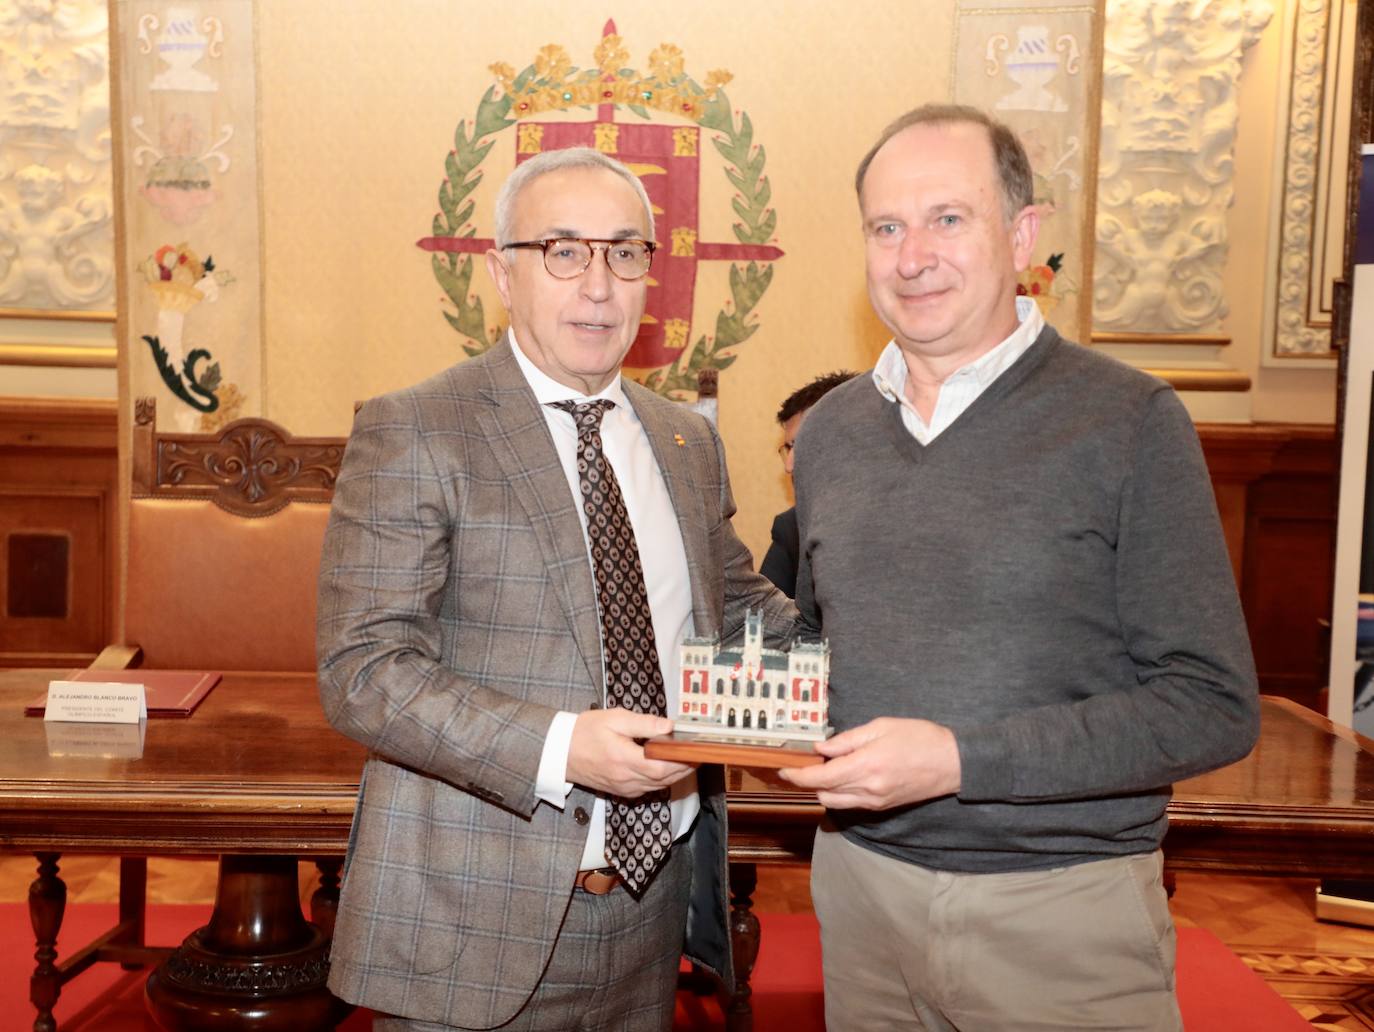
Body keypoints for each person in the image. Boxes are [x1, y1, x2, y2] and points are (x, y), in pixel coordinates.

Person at [779, 104, 1260, 1031]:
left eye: (948, 218)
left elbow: (1211, 704)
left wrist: (959, 760)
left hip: (1061, 914)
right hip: (859, 895)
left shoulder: (1129, 422)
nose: (912, 255)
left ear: (1023, 234)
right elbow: (818, 648)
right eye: (887, 227)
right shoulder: (832, 432)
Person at [317, 147, 795, 1032]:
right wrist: (562, 747)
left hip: (651, 920)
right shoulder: (417, 426)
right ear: (503, 271)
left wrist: (872, 660)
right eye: (563, 251)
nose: (600, 285)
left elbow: (740, 614)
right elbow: (363, 670)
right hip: (473, 923)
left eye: (625, 252)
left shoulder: (685, 441)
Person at [759, 370, 855, 597]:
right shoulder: (792, 528)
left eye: (801, 444)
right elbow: (763, 614)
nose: (789, 466)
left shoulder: (901, 515)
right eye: (788, 448)